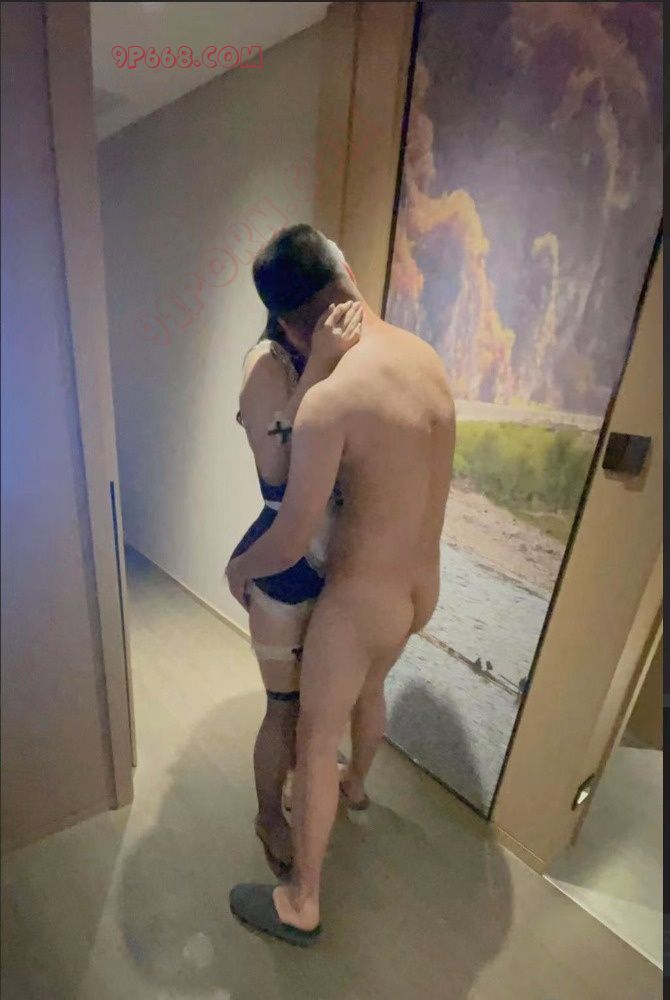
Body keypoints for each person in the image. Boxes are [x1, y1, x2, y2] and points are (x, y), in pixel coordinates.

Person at [226, 224, 455, 946]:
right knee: (371, 692)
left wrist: (239, 567)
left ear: (290, 326)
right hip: (420, 591)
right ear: (347, 270)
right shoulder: (424, 356)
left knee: (316, 735)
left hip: (359, 603)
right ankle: (358, 788)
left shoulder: (331, 398)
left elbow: (292, 536)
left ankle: (303, 901)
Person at [231, 289, 362, 878]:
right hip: (285, 558)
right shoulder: (267, 363)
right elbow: (276, 468)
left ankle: (308, 794)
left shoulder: (340, 353)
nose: (326, 325)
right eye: (312, 318)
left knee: (321, 703)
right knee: (283, 707)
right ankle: (267, 816)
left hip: (338, 556)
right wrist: (321, 364)